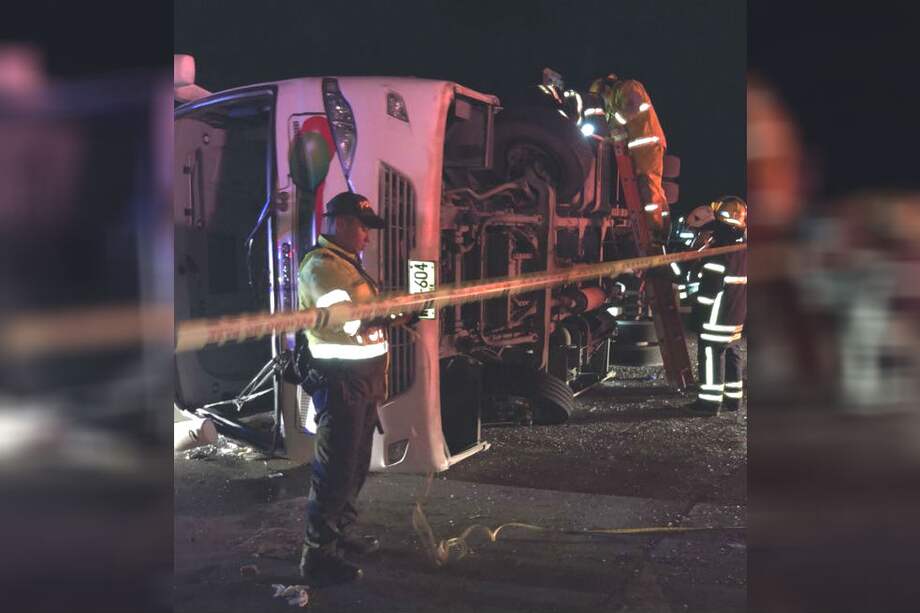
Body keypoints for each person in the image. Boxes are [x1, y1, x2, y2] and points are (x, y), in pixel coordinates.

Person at [297, 191, 389, 585]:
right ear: (338, 223)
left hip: (362, 381)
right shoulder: (322, 266)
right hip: (341, 382)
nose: (367, 235)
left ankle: (340, 534)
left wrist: (398, 315)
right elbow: (351, 321)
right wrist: (391, 314)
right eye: (363, 226)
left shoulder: (348, 264)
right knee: (335, 470)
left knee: (353, 467)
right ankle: (317, 555)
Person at [684, 196, 748, 416]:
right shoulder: (742, 248)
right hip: (736, 314)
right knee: (732, 354)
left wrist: (694, 307)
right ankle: (733, 400)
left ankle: (709, 404)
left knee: (711, 356)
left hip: (715, 318)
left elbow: (708, 292)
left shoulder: (718, 252)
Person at [588, 74, 670, 242]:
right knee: (651, 187)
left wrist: (615, 126)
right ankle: (660, 228)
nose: (604, 101)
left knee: (649, 186)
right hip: (641, 147)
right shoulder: (617, 97)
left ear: (606, 88)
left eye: (602, 96)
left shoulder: (629, 87)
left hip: (648, 144)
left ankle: (654, 231)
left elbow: (633, 106)